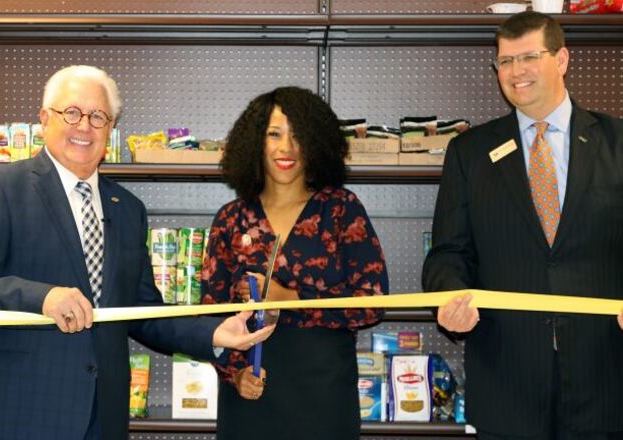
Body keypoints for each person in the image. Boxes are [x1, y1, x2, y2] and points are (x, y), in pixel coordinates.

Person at [0, 65, 274, 440]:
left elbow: (143, 311)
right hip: (17, 414)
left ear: (111, 127)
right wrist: (44, 298)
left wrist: (215, 332)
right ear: (44, 119)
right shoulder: (2, 186)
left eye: (98, 116)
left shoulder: (127, 208)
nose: (84, 126)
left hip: (103, 418)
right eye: (71, 113)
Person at [423, 11, 623, 439]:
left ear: (563, 59)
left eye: (528, 57)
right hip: (506, 380)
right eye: (505, 61)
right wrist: (449, 297)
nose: (516, 72)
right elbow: (448, 252)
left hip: (604, 378)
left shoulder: (617, 143)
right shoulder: (469, 152)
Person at [201, 86, 389, 440]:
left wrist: (288, 297)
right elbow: (209, 315)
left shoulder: (340, 209)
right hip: (250, 397)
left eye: (297, 135)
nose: (286, 147)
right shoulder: (231, 219)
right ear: (255, 141)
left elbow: (373, 302)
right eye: (274, 134)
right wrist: (235, 374)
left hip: (324, 396)